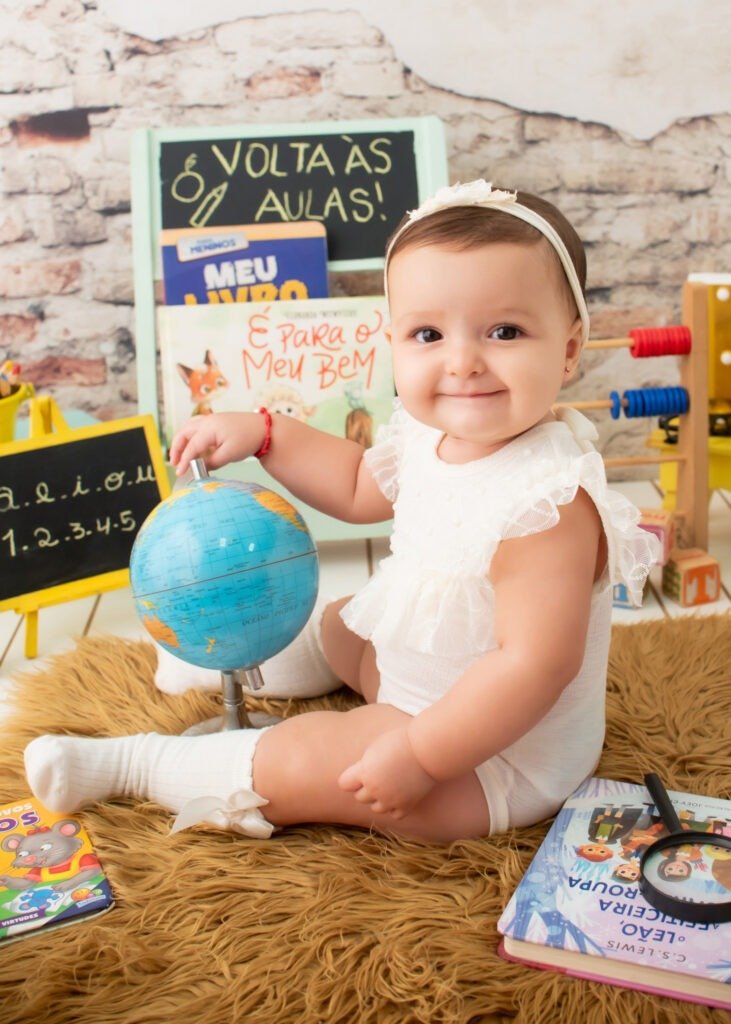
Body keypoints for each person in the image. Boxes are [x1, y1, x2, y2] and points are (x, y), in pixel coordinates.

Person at [24, 180, 659, 844]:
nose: (462, 362)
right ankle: (222, 664)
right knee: (342, 622)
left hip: (490, 756)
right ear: (394, 341)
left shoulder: (547, 505)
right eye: (428, 333)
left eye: (504, 331)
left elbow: (532, 667)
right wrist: (266, 433)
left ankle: (138, 764)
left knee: (315, 760)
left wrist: (418, 755)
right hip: (419, 675)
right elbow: (357, 484)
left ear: (568, 348)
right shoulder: (429, 436)